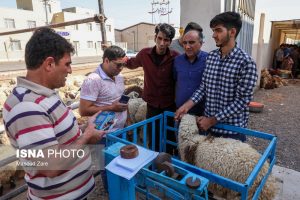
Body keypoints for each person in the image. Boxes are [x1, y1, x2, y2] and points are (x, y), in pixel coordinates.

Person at [2, 27, 106, 199]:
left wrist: (84, 127)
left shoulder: (46, 93)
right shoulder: (26, 107)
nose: (70, 70)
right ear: (49, 64)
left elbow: (57, 136)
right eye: (67, 64)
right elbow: (51, 165)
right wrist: (86, 137)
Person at [175, 12, 258, 142]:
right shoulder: (211, 57)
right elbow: (203, 87)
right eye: (213, 31)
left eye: (218, 30)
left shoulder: (246, 63)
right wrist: (187, 106)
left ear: (232, 32)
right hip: (207, 129)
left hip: (231, 131)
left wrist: (213, 120)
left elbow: (242, 101)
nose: (214, 35)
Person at [126, 23, 179, 153]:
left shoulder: (176, 57)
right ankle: (154, 161)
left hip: (170, 104)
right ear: (155, 37)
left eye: (166, 40)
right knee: (153, 135)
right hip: (152, 104)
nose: (162, 43)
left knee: (170, 136)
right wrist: (116, 56)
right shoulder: (144, 54)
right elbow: (131, 63)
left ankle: (168, 164)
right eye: (160, 38)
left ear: (170, 41)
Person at [79, 45, 129, 130]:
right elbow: (83, 111)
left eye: (123, 65)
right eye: (118, 65)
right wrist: (111, 108)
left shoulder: (119, 76)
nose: (121, 68)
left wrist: (128, 121)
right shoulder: (93, 80)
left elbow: (123, 102)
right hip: (102, 134)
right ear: (106, 60)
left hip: (121, 130)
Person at [174, 28, 208, 116]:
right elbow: (174, 81)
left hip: (202, 115)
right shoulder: (177, 61)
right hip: (180, 112)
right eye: (185, 43)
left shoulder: (209, 60)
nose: (187, 46)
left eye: (191, 42)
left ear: (200, 43)